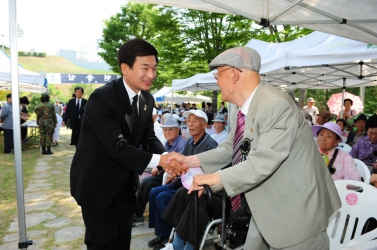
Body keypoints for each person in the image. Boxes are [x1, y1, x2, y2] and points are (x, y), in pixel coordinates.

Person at [166, 47, 341, 250]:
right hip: (266, 209)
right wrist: (188, 161)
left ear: (234, 74)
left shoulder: (276, 105)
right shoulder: (241, 110)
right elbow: (231, 148)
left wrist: (211, 179)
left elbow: (262, 162)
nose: (216, 81)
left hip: (298, 213)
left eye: (218, 74)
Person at [70, 38, 180, 250]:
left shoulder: (147, 99)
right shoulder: (102, 98)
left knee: (122, 242)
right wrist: (162, 160)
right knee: (102, 244)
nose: (152, 75)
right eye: (145, 68)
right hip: (96, 185)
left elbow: (148, 137)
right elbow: (115, 145)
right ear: (125, 68)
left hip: (124, 185)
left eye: (155, 68)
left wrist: (167, 157)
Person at [147, 110, 217, 250]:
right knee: (155, 192)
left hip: (201, 186)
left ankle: (173, 240)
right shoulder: (190, 141)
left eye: (195, 121)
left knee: (164, 197)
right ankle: (165, 236)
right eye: (188, 121)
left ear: (204, 125)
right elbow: (183, 163)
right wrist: (171, 171)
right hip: (185, 180)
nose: (190, 124)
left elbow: (212, 172)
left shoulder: (210, 145)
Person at [133, 117, 186, 227]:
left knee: (148, 183)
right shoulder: (166, 143)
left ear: (178, 130)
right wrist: (158, 167)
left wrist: (160, 168)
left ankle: (138, 215)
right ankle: (137, 213)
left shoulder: (182, 144)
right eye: (165, 130)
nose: (168, 132)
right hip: (165, 172)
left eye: (171, 129)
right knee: (142, 182)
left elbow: (179, 165)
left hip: (175, 176)